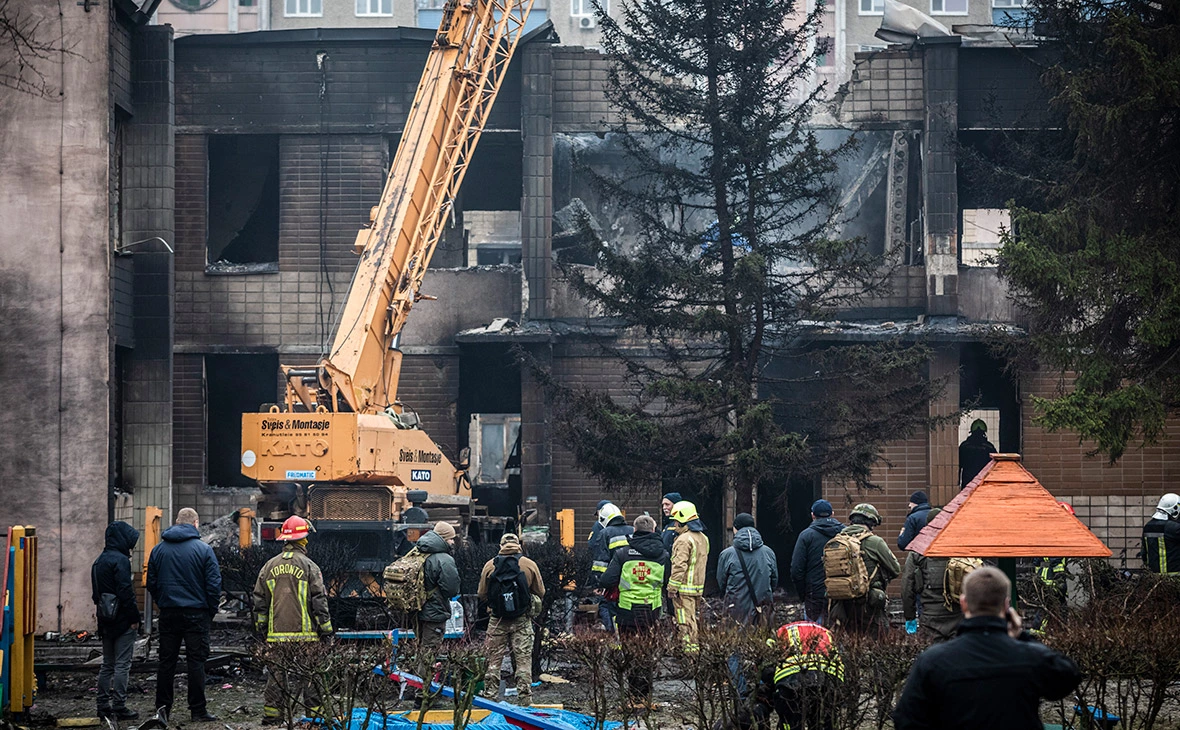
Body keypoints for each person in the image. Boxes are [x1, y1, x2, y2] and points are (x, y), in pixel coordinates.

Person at [892, 567, 1082, 730]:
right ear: (1006, 605)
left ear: (963, 603)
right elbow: (1068, 677)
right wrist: (1022, 637)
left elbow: (905, 720)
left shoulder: (933, 661)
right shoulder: (1029, 656)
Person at [253, 516, 334, 726]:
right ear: (303, 540)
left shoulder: (269, 566)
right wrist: (326, 631)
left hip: (276, 634)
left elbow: (259, 601)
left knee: (276, 677)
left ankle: (272, 716)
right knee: (310, 677)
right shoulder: (310, 566)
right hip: (306, 636)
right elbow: (319, 601)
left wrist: (261, 628)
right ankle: (314, 717)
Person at [146, 507, 222, 724]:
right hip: (196, 614)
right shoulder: (204, 550)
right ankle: (197, 710)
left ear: (177, 523)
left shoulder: (158, 550)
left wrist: (164, 603)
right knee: (196, 662)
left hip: (169, 613)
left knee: (166, 662)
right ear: (196, 524)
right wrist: (210, 611)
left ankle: (162, 710)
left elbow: (151, 582)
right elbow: (214, 585)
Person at [600, 515, 669, 705]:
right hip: (652, 612)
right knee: (647, 653)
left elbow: (606, 581)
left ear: (634, 531)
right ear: (654, 531)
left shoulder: (623, 554)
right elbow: (668, 582)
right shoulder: (663, 555)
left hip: (627, 612)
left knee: (630, 653)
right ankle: (646, 696)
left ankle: (632, 695)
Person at [478, 533, 544, 704]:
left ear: (500, 545)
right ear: (518, 545)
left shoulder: (489, 565)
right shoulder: (529, 564)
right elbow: (540, 592)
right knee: (523, 660)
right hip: (521, 619)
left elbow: (482, 594)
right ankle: (525, 699)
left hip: (497, 620)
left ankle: (490, 697)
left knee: (493, 660)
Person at [92, 521, 142, 721]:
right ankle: (119, 706)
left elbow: (97, 595)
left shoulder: (99, 561)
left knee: (107, 664)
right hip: (122, 619)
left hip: (105, 619)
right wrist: (134, 618)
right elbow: (126, 592)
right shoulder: (120, 561)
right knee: (122, 664)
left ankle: (102, 705)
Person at [826, 503, 900, 635]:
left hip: (841, 604)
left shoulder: (836, 541)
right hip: (868, 603)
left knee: (848, 645)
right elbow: (895, 569)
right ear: (871, 522)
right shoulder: (875, 542)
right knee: (877, 643)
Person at [756, 621, 844, 730]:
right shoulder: (826, 633)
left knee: (791, 722)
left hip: (790, 681)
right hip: (828, 678)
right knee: (824, 722)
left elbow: (766, 669)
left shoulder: (780, 633)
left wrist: (773, 686)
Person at [901, 510, 964, 641]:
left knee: (932, 658)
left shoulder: (918, 551)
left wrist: (910, 616)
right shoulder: (959, 548)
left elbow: (907, 586)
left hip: (930, 617)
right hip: (957, 615)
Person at [716, 513, 778, 623]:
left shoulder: (727, 554)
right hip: (762, 608)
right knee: (763, 637)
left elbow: (721, 583)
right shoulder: (768, 552)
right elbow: (774, 581)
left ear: (735, 529)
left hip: (735, 609)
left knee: (734, 638)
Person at [790, 500, 843, 625]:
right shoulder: (844, 533)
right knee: (841, 635)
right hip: (841, 593)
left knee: (815, 637)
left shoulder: (806, 536)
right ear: (832, 514)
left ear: (813, 515)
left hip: (815, 594)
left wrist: (803, 594)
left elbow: (796, 570)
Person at [668, 500, 709, 651]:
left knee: (685, 623)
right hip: (697, 588)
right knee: (693, 620)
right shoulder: (703, 538)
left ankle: (689, 655)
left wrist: (672, 588)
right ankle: (689, 650)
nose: (674, 524)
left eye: (675, 521)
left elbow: (679, 566)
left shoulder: (683, 540)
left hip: (683, 590)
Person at [416, 521, 461, 654]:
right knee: (429, 651)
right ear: (443, 539)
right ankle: (423, 675)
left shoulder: (419, 552)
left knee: (420, 647)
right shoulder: (444, 559)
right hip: (435, 611)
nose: (453, 542)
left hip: (418, 609)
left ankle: (417, 673)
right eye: (451, 538)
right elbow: (451, 589)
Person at [591, 503, 633, 631]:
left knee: (607, 606)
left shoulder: (605, 533)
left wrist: (598, 583)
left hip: (613, 581)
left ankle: (614, 636)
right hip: (632, 579)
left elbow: (601, 562)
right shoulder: (632, 530)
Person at [1142, 493, 1180, 574]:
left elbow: (1144, 553)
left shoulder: (1148, 527)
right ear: (1175, 508)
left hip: (1153, 578)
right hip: (1175, 578)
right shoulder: (1173, 528)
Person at [958, 419, 996, 488]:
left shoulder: (964, 446)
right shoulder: (989, 447)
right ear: (984, 433)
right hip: (983, 479)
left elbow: (959, 464)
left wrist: (958, 480)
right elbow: (994, 465)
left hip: (968, 479)